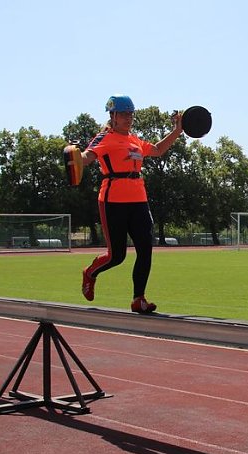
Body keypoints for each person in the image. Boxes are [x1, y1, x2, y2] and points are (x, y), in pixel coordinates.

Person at [75, 94, 183, 314]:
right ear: (112, 115)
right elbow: (87, 157)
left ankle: (138, 299)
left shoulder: (135, 140)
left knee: (146, 249)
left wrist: (178, 130)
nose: (128, 118)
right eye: (123, 113)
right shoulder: (105, 137)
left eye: (130, 113)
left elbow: (158, 150)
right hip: (113, 200)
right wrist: (74, 156)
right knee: (117, 256)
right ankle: (90, 272)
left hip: (139, 200)